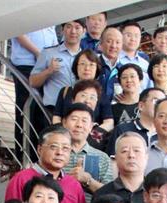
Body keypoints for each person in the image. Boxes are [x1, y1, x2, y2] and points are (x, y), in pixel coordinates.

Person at [4, 125, 87, 203]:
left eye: (65, 148)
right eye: (53, 147)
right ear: (39, 149)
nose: (60, 153)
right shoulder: (21, 179)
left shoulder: (74, 184)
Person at [10, 27, 58, 159]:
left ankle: (37, 155)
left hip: (45, 67)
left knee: (40, 112)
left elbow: (53, 42)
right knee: (26, 111)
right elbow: (18, 33)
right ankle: (23, 155)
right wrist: (38, 53)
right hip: (26, 64)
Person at [30, 20, 84, 112]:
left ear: (84, 31)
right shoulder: (48, 53)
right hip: (53, 109)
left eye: (77, 27)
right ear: (62, 30)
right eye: (69, 26)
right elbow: (32, 82)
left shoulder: (86, 57)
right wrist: (48, 71)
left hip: (78, 110)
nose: (73, 31)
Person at [51, 52, 114, 131]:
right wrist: (63, 132)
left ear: (97, 68)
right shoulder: (65, 91)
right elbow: (57, 117)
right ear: (76, 67)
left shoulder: (101, 93)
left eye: (91, 64)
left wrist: (93, 133)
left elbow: (109, 122)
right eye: (83, 64)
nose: (87, 68)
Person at [94, 132, 149, 203]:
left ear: (146, 157)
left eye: (136, 150)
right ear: (115, 158)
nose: (131, 155)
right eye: (124, 151)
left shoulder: (154, 194)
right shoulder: (102, 194)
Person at [62, 103, 114, 197]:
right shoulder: (56, 154)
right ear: (64, 123)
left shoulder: (102, 157)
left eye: (84, 121)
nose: (79, 125)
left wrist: (88, 181)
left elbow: (110, 194)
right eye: (74, 119)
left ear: (91, 127)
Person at [107, 87, 163, 156]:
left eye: (163, 102)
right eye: (156, 101)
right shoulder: (122, 130)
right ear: (141, 106)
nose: (160, 106)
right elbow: (112, 159)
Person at [118, 21, 150, 89]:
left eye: (136, 35)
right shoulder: (114, 60)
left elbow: (150, 88)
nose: (133, 39)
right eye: (129, 35)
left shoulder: (145, 64)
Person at [97, 27, 124, 105]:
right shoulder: (93, 65)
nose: (113, 46)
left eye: (117, 42)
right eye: (109, 41)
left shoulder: (124, 70)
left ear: (122, 45)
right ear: (101, 43)